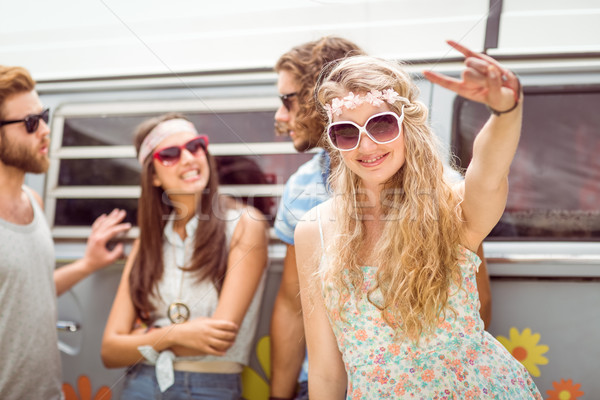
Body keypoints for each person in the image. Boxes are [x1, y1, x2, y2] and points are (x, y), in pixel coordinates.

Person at [295, 42, 541, 398]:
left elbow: (489, 171)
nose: (365, 146)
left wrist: (505, 111)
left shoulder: (454, 208)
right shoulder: (313, 230)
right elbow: (326, 373)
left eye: (381, 125)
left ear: (408, 125)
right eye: (347, 132)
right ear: (334, 141)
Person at [101, 113, 268, 399]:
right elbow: (109, 350)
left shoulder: (244, 224)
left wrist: (144, 339)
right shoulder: (149, 240)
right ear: (152, 175)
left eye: (195, 146)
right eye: (169, 154)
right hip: (141, 382)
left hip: (209, 387)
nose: (189, 159)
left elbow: (218, 340)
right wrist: (175, 335)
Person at [0, 65, 131, 400]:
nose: (45, 130)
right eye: (31, 123)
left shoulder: (33, 202)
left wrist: (88, 263)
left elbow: (28, 293)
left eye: (43, 116)